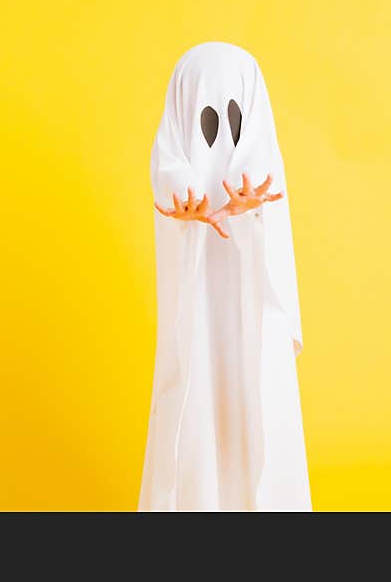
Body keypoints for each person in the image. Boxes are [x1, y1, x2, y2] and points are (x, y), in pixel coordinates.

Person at [138, 42, 311, 511]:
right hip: (199, 308)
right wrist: (186, 208)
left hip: (253, 312)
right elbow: (170, 172)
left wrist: (252, 211)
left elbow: (264, 189)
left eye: (234, 120)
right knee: (197, 404)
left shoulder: (265, 175)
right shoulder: (171, 176)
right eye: (206, 120)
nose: (219, 142)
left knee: (257, 395)